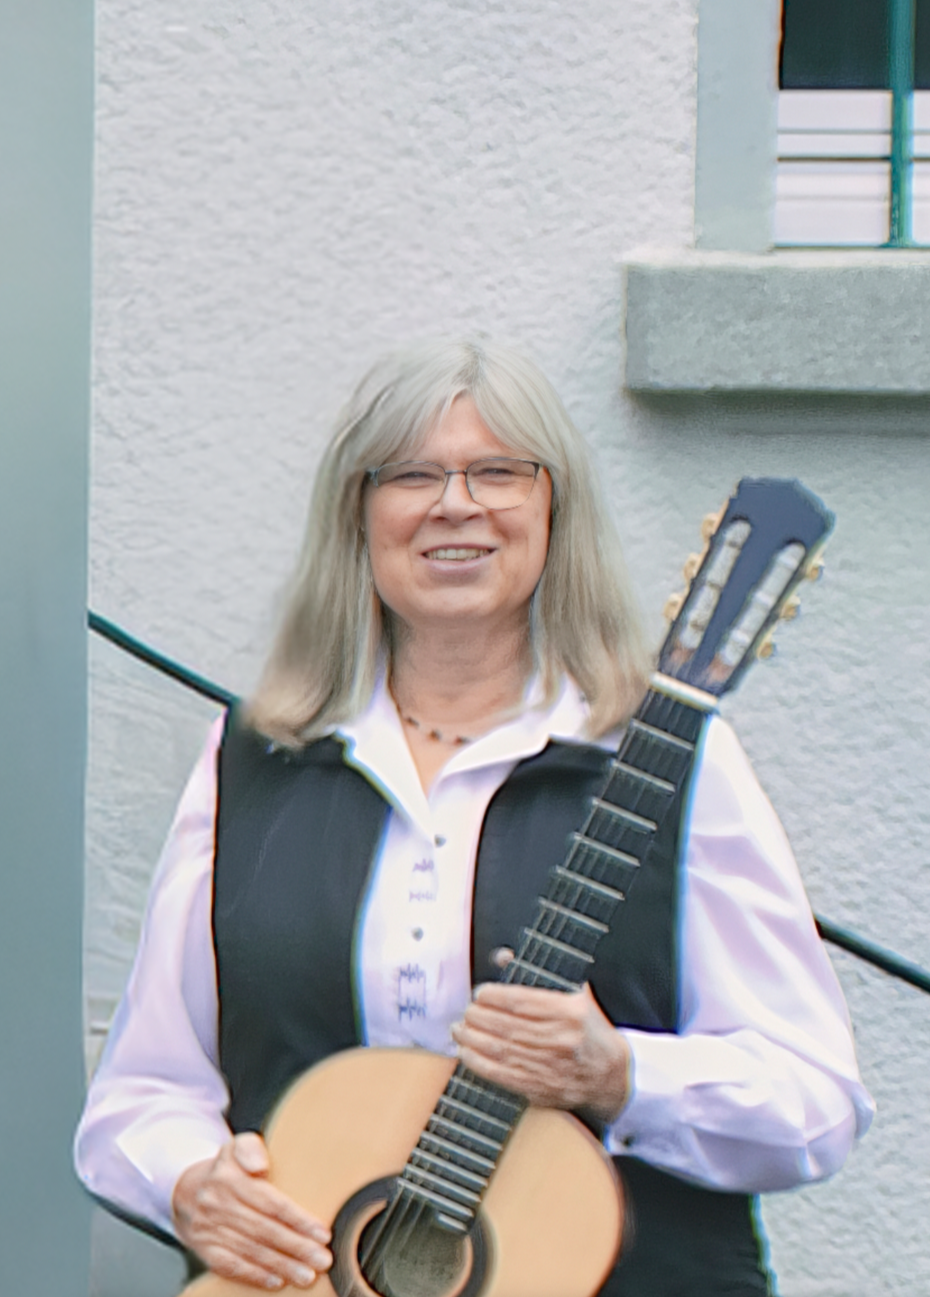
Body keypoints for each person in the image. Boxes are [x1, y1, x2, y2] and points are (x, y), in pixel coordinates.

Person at [75, 337, 873, 1296]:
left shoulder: (661, 759)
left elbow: (816, 1103)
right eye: (412, 473)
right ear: (358, 516)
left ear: (552, 510)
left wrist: (621, 1075)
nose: (457, 503)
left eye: (498, 471)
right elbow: (143, 1090)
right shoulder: (252, 759)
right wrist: (193, 1183)